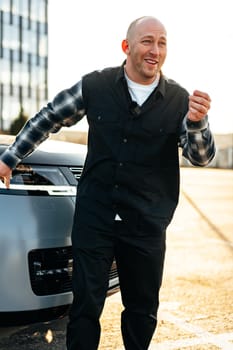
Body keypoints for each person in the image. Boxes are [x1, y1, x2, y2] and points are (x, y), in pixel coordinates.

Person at [0, 16, 215, 350]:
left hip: (146, 224)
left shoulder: (179, 100)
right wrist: (10, 156)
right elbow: (49, 117)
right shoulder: (94, 86)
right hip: (94, 219)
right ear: (127, 47)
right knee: (85, 308)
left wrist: (198, 123)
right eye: (147, 41)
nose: (155, 50)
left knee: (142, 312)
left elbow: (200, 157)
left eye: (162, 42)